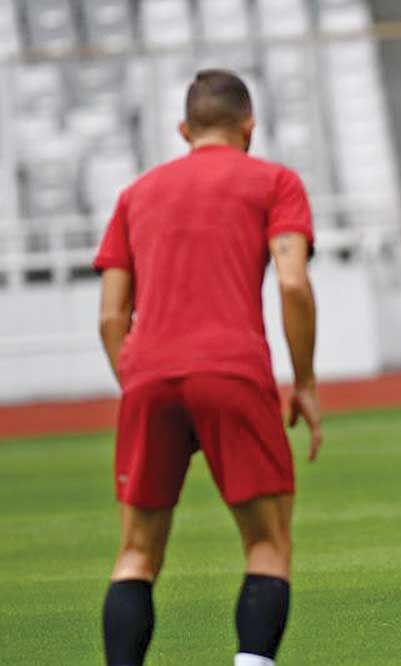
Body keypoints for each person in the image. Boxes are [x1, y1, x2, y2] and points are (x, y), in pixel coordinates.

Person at [93, 69, 323, 666]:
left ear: (182, 128)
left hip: (146, 373)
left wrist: (142, 382)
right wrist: (303, 384)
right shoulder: (274, 180)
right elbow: (293, 284)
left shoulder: (135, 194)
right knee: (267, 546)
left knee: (137, 553)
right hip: (232, 371)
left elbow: (110, 316)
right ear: (249, 126)